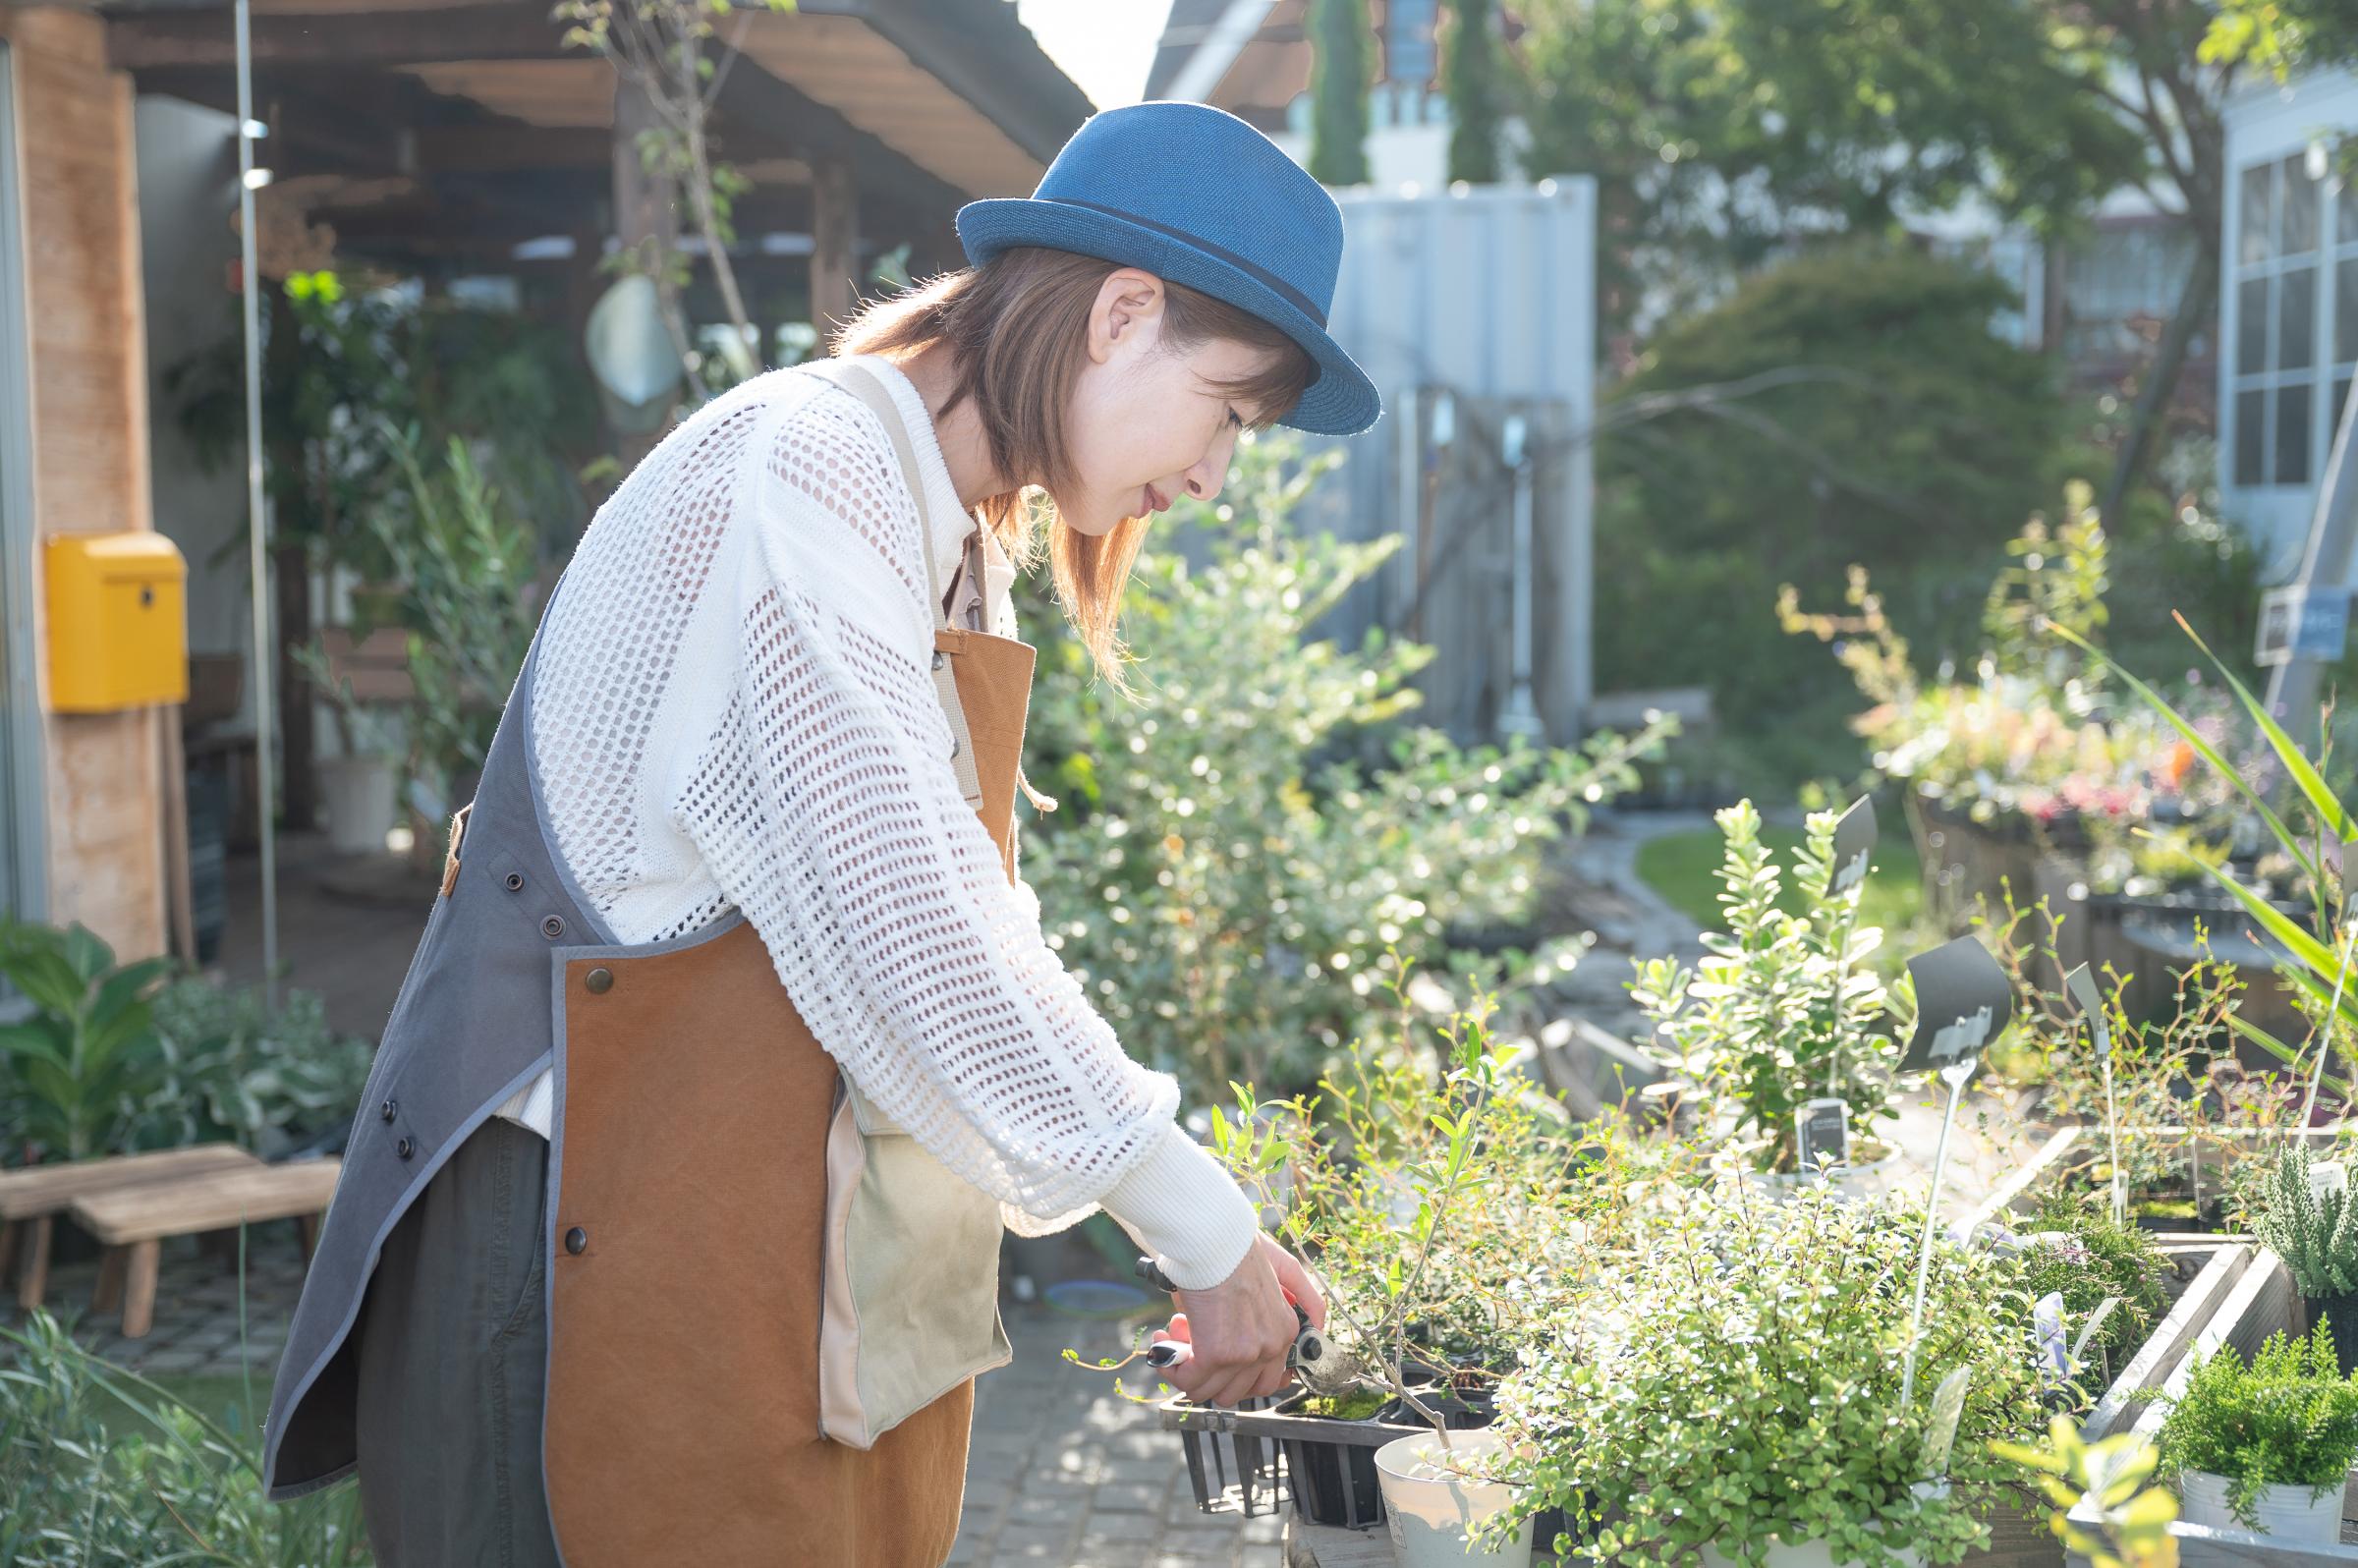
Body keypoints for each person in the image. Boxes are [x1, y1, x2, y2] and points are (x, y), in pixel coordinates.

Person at [260, 100, 1383, 1566]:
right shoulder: (808, 472)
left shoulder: (950, 526)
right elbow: (911, 930)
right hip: (561, 1242)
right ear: (1121, 314)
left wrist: (1190, 1211)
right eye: (1228, 412)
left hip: (714, 1233)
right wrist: (1202, 1230)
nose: (1213, 478)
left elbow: (966, 916)